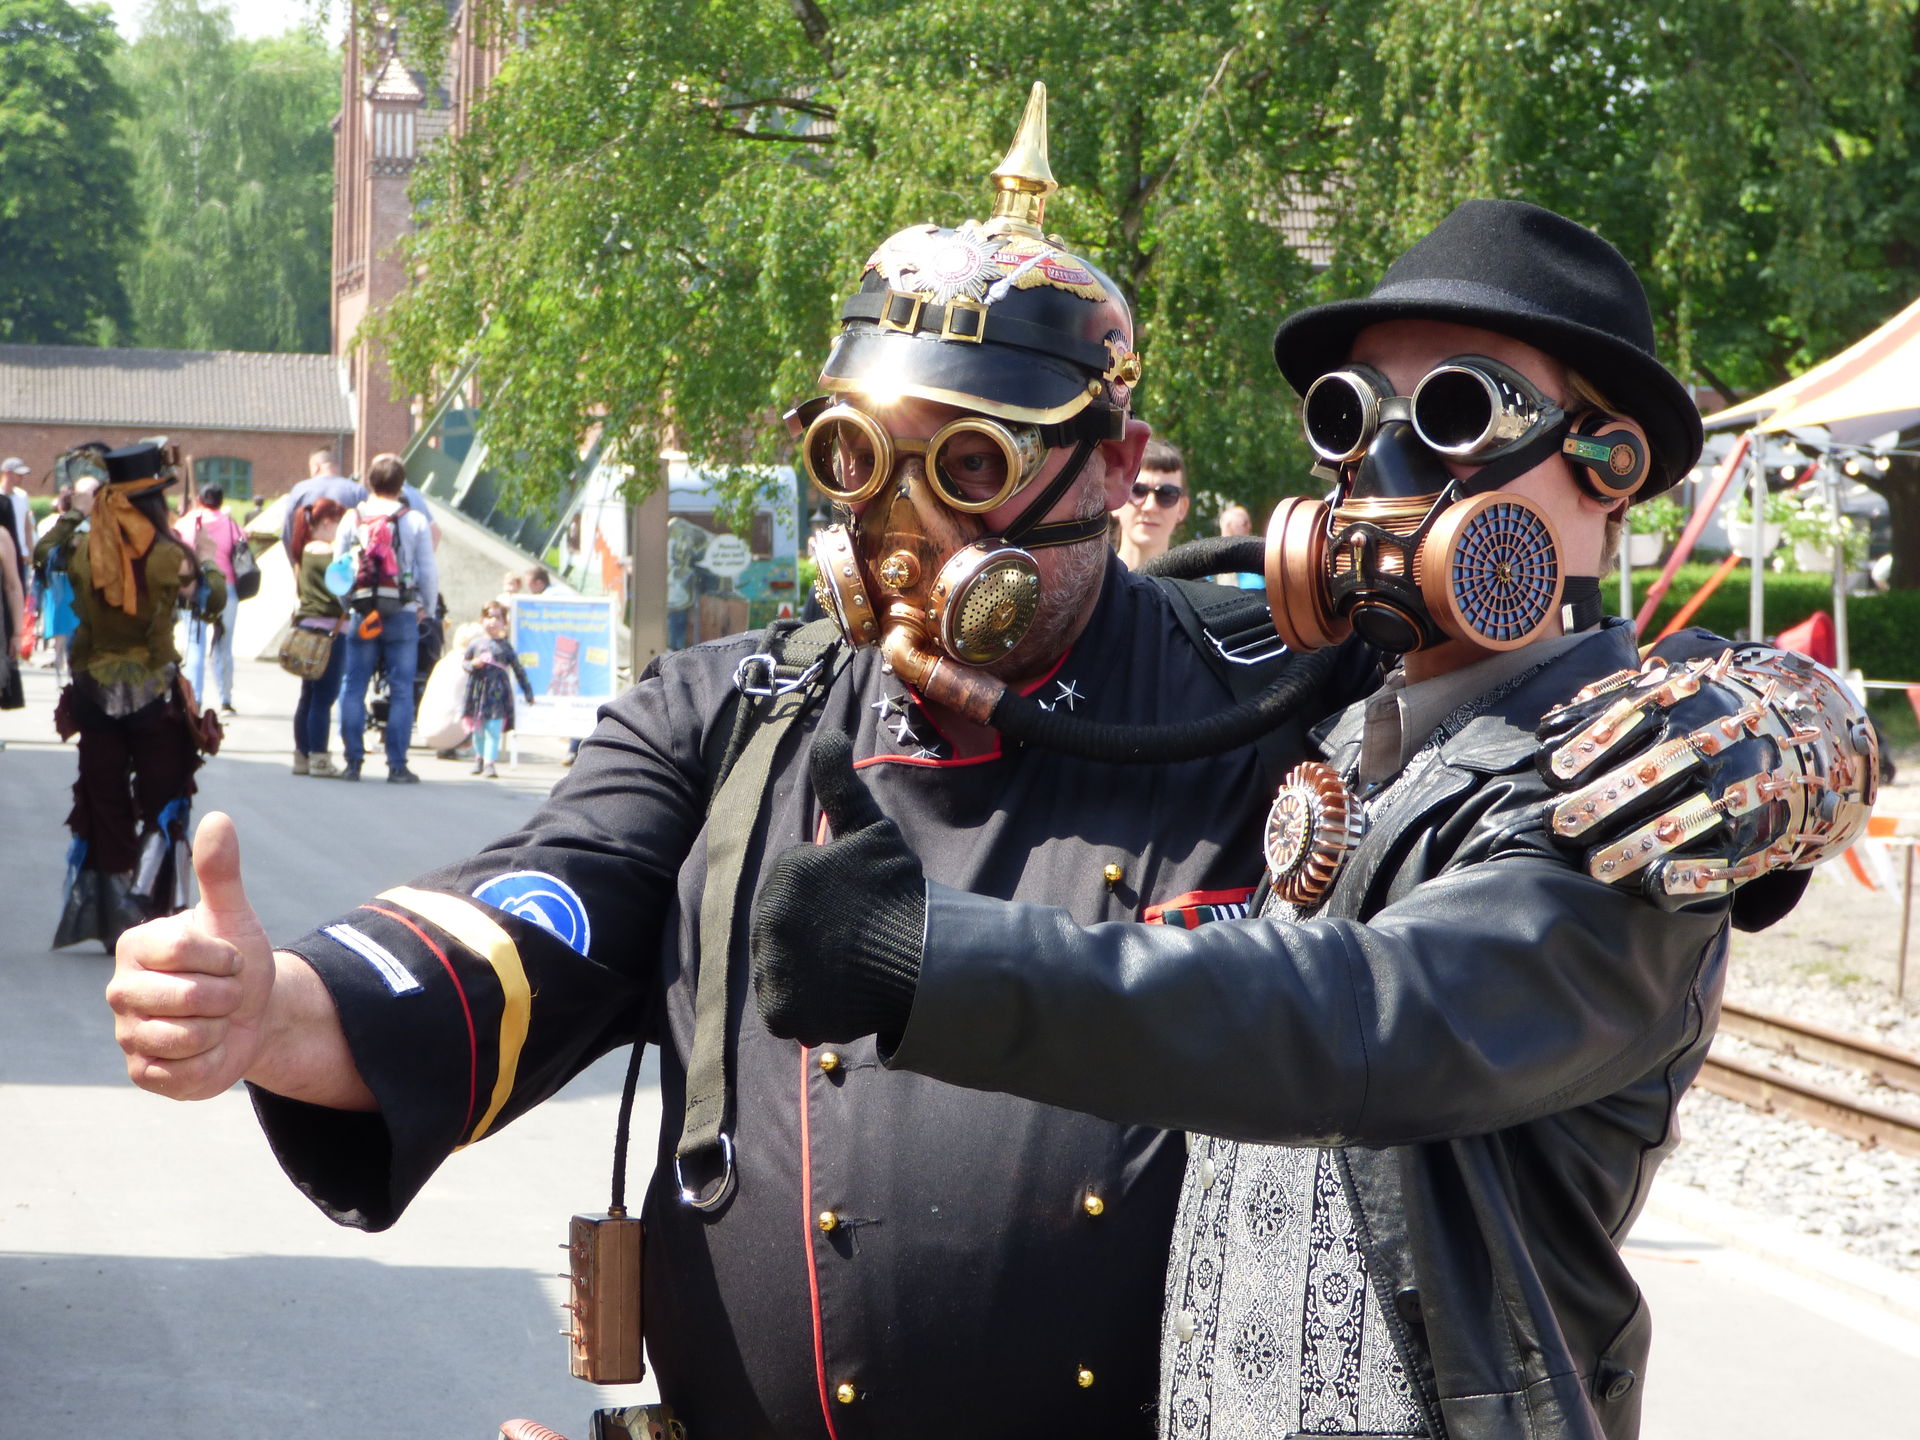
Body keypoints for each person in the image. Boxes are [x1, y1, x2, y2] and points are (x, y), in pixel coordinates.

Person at [105, 87, 1375, 1440]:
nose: (905, 521)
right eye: (859, 455)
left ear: (1113, 468)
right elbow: (537, 913)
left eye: (971, 463)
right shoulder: (732, 713)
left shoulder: (1259, 707)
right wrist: (287, 1010)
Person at [748, 201, 1877, 1440]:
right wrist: (1807, 702)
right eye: (1352, 418)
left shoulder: (1640, 786)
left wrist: (926, 958)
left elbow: (1361, 1019)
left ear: (1611, 466)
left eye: (1457, 413)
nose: (1384, 474)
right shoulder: (1337, 719)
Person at [39, 441, 224, 949]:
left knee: (103, 800)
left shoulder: (81, 550)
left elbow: (44, 554)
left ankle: (114, 917)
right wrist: (209, 560)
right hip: (154, 697)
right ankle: (145, 901)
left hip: (92, 694)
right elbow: (211, 600)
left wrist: (74, 515)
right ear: (152, 501)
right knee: (166, 798)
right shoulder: (170, 556)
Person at [335, 453, 438, 784]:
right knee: (402, 690)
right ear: (401, 485)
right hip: (402, 612)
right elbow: (427, 571)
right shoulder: (415, 520)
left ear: (369, 482)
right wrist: (426, 608)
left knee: (354, 686)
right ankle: (397, 765)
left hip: (364, 612)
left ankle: (353, 762)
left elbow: (338, 568)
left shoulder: (353, 518)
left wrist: (348, 604)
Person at [174, 482, 247, 716]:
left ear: (198, 499)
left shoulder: (186, 522)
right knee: (224, 643)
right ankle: (226, 699)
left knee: (195, 642)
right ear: (221, 501)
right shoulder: (232, 524)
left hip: (194, 586)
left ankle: (195, 698)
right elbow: (242, 545)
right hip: (226, 587)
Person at [290, 497, 351, 778]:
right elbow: (343, 590)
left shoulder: (303, 552)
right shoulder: (332, 555)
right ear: (327, 523)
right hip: (330, 631)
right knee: (324, 697)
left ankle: (301, 756)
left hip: (306, 629)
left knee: (308, 694)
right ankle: (319, 758)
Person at [461, 600, 534, 777]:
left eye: (497, 617)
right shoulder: (475, 644)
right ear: (482, 620)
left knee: (493, 729)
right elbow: (465, 663)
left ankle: (490, 763)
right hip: (478, 693)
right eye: (489, 616)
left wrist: (528, 692)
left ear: (504, 622)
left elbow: (518, 670)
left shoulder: (505, 646)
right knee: (478, 728)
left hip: (497, 694)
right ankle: (479, 758)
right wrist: (473, 664)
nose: (492, 621)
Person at [1113, 436, 1190, 569]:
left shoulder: (1199, 583)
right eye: (1138, 491)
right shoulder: (1083, 580)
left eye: (1167, 494)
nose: (1150, 506)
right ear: (1115, 500)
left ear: (1182, 508)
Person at [1211, 502, 1265, 589]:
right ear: (1228, 526)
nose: (1250, 527)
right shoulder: (1212, 560)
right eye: (1245, 523)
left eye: (1249, 523)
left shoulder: (1252, 558)